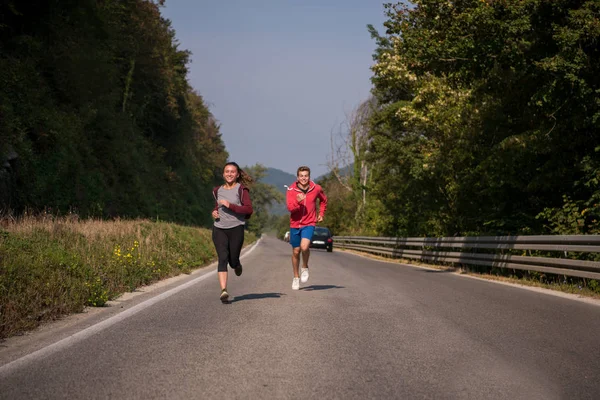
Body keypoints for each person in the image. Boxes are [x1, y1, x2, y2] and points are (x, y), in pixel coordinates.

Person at [212, 162, 253, 302]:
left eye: (232, 172)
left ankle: (236, 264)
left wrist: (231, 206)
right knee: (222, 258)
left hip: (236, 228)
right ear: (223, 174)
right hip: (219, 228)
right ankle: (223, 290)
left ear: (237, 174)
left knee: (232, 260)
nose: (229, 174)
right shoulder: (217, 190)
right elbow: (217, 207)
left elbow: (248, 209)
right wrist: (214, 212)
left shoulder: (242, 189)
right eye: (227, 171)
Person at [286, 166, 327, 290]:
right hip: (295, 224)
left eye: (306, 176)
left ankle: (304, 267)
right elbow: (290, 208)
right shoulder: (291, 190)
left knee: (304, 247)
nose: (304, 178)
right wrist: (298, 202)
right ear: (297, 177)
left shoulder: (316, 188)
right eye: (301, 176)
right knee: (296, 251)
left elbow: (324, 200)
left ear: (309, 176)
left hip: (309, 223)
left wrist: (321, 214)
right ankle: (296, 277)